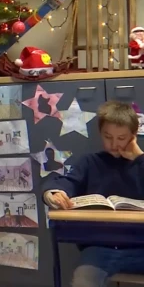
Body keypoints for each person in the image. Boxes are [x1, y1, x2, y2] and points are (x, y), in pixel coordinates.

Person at [42, 101, 144, 287]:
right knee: (84, 281)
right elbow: (66, 182)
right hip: (99, 249)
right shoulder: (90, 162)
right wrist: (53, 193)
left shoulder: (141, 164)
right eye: (108, 137)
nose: (114, 144)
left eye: (121, 138)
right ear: (100, 134)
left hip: (141, 248)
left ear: (133, 136)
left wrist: (139, 157)